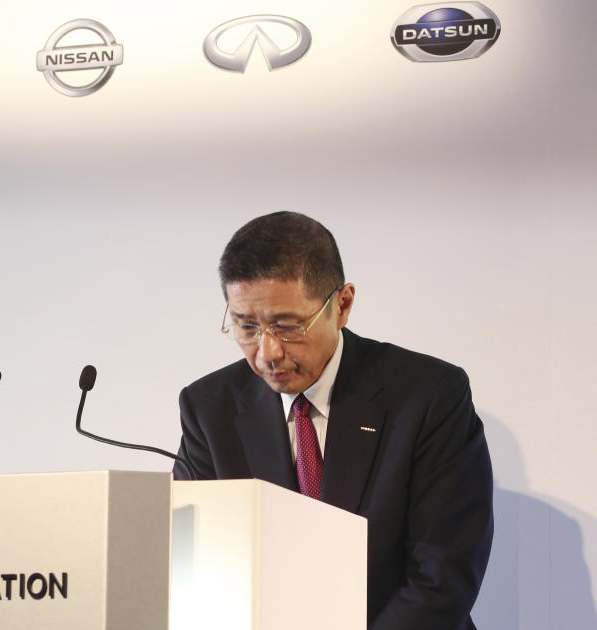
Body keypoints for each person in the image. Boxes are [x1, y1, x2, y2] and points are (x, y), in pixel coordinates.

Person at [173, 211, 493, 630]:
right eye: (246, 326)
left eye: (286, 326)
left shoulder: (429, 396)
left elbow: (441, 578)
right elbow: (192, 565)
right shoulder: (208, 408)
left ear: (342, 306)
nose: (267, 353)